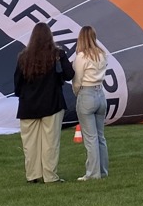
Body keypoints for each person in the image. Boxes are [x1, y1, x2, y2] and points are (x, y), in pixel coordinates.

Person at [14, 24, 74, 183]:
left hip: (28, 106)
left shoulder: (23, 57)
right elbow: (69, 74)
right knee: (50, 142)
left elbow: (17, 83)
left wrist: (24, 96)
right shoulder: (56, 54)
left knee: (30, 143)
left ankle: (32, 175)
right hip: (52, 103)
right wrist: (60, 68)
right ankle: (50, 176)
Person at [71, 25, 110, 181]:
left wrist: (77, 93)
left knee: (90, 138)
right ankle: (103, 170)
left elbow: (77, 79)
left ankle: (92, 173)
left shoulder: (81, 57)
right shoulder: (102, 54)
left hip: (86, 93)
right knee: (100, 136)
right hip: (100, 93)